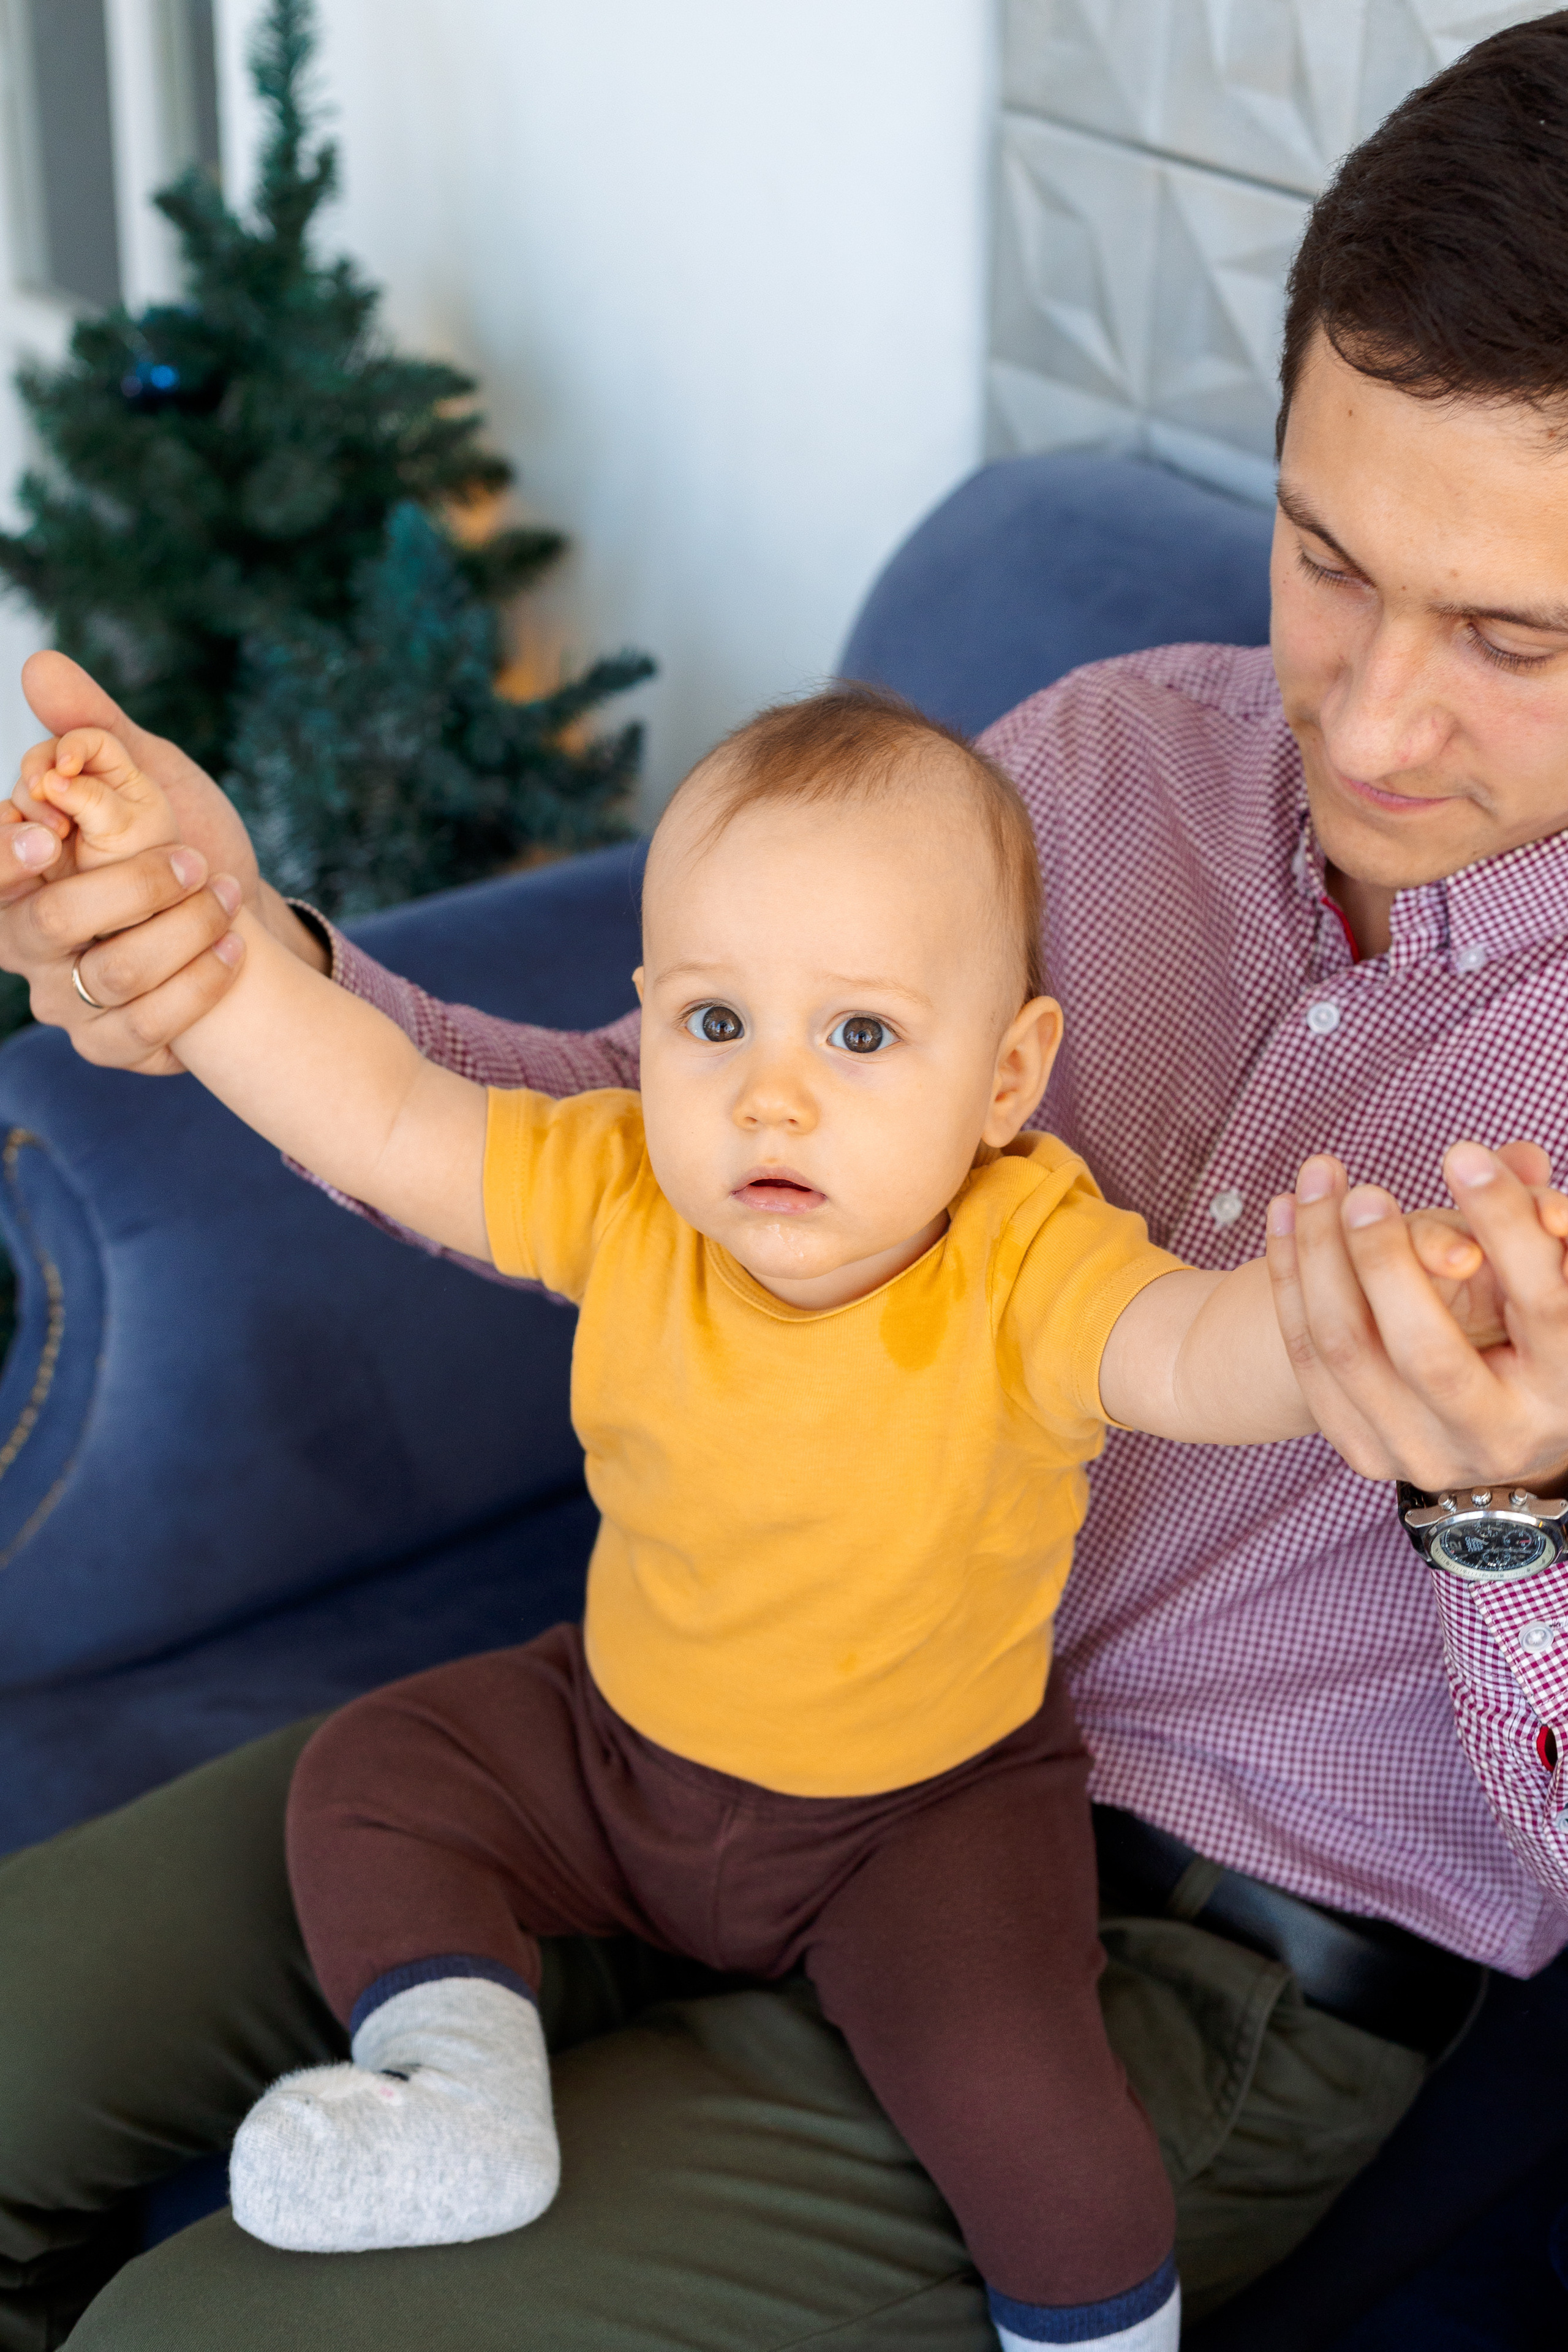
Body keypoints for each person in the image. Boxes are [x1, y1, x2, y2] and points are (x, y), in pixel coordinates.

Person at [7, 15, 1568, 2349]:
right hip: (686, 1725)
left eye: (1515, 640)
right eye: (1327, 558)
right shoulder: (1095, 764)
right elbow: (638, 1124)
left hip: (1181, 1949)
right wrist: (243, 962)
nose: (1361, 720)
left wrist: (1511, 1509)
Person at [23, 690, 1512, 2346]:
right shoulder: (633, 1186)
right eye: (717, 1025)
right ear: (652, 1022)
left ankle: (1095, 2327)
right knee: (373, 1778)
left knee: (1026, 2105)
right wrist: (204, 947)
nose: (772, 1102)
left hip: (913, 1825)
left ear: (1010, 1072)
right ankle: (460, 2088)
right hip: (618, 1753)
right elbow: (379, 1110)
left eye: (862, 1038)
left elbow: (1191, 1347)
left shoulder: (1025, 1260)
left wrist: (1355, 1320)